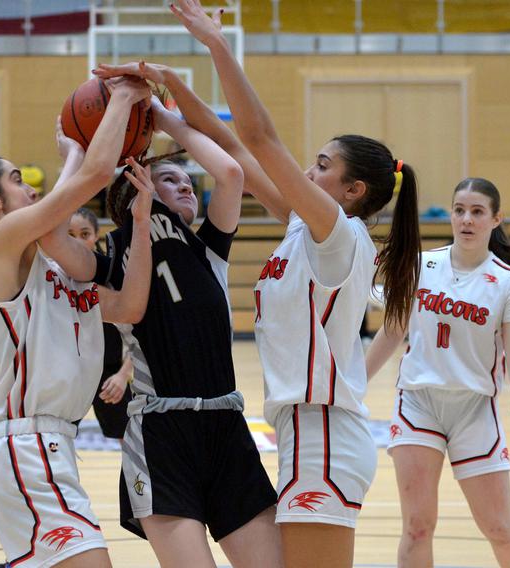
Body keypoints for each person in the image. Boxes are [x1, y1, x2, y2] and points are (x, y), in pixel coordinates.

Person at [166, 3, 423, 566]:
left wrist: (217, 46)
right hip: (304, 431)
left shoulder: (338, 234)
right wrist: (166, 104)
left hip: (324, 431)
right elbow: (234, 149)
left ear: (352, 189)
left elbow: (258, 137)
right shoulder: (305, 228)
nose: (308, 171)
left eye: (321, 164)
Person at [0, 75, 154, 568]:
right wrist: (126, 99)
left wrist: (140, 222)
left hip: (53, 447)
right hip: (27, 448)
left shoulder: (54, 268)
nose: (31, 188)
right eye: (17, 180)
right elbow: (90, 181)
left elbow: (129, 307)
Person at [57, 80, 282, 564]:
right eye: (171, 179)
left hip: (226, 425)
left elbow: (230, 172)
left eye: (187, 183)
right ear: (135, 179)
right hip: (160, 432)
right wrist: (76, 155)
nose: (186, 186)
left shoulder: (208, 249)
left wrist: (159, 115)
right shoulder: (108, 254)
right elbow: (52, 236)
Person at [366, 178, 510, 567]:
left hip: (474, 410)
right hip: (418, 403)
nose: (466, 219)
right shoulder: (421, 265)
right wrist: (353, 384)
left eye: (477, 212)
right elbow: (393, 329)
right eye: (459, 210)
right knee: (417, 525)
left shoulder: (507, 282)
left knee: (499, 527)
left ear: (496, 219)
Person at [68, 207, 132, 439]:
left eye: (84, 234)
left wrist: (123, 376)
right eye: (70, 235)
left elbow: (143, 335)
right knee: (55, 441)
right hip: (70, 375)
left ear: (96, 236)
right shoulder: (52, 278)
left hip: (111, 374)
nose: (77, 241)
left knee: (131, 442)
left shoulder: (113, 275)